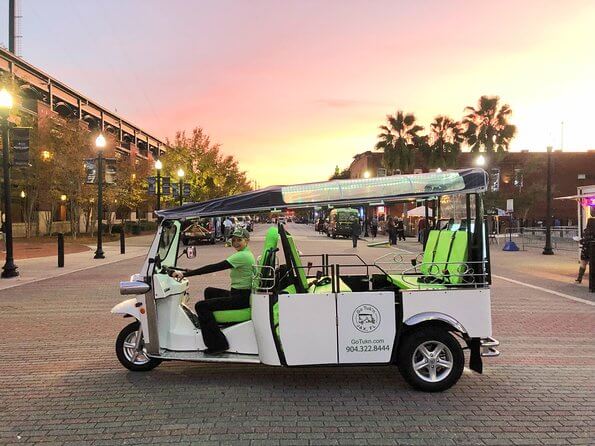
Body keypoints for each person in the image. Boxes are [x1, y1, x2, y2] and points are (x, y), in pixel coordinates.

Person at [171, 227, 255, 354]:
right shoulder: (246, 253)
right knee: (209, 291)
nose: (236, 243)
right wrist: (189, 272)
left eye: (239, 240)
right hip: (240, 294)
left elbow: (214, 267)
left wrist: (186, 275)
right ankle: (212, 328)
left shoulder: (242, 256)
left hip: (240, 298)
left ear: (247, 241)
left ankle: (218, 344)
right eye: (234, 240)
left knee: (201, 307)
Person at [576, 218, 594, 284]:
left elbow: (584, 241)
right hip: (593, 250)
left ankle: (579, 279)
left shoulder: (586, 231)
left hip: (586, 250)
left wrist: (580, 240)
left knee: (583, 264)